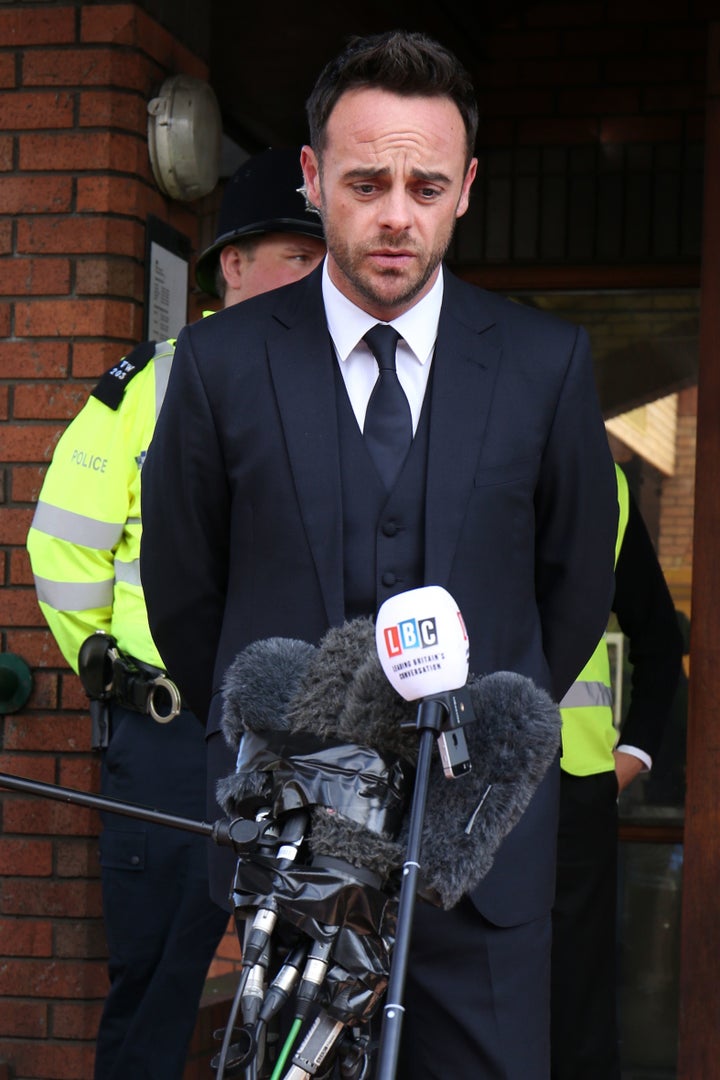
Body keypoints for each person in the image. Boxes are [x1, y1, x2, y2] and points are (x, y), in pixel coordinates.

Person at [139, 30, 618, 1080]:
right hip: (293, 853)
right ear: (312, 179)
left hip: (481, 866)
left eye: (425, 183)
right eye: (366, 180)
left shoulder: (545, 363)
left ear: (466, 189)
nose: (396, 213)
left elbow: (574, 587)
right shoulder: (219, 366)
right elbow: (187, 595)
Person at [25, 148, 326, 1080]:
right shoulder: (148, 385)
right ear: (230, 264)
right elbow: (63, 545)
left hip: (304, 740)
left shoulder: (348, 393)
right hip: (167, 735)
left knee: (308, 989)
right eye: (294, 256)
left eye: (325, 262)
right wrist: (110, 666)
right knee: (155, 984)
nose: (314, 279)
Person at [552, 463, 684, 1080]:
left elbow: (659, 639)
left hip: (574, 789)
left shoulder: (608, 485)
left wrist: (631, 758)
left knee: (576, 1010)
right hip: (455, 784)